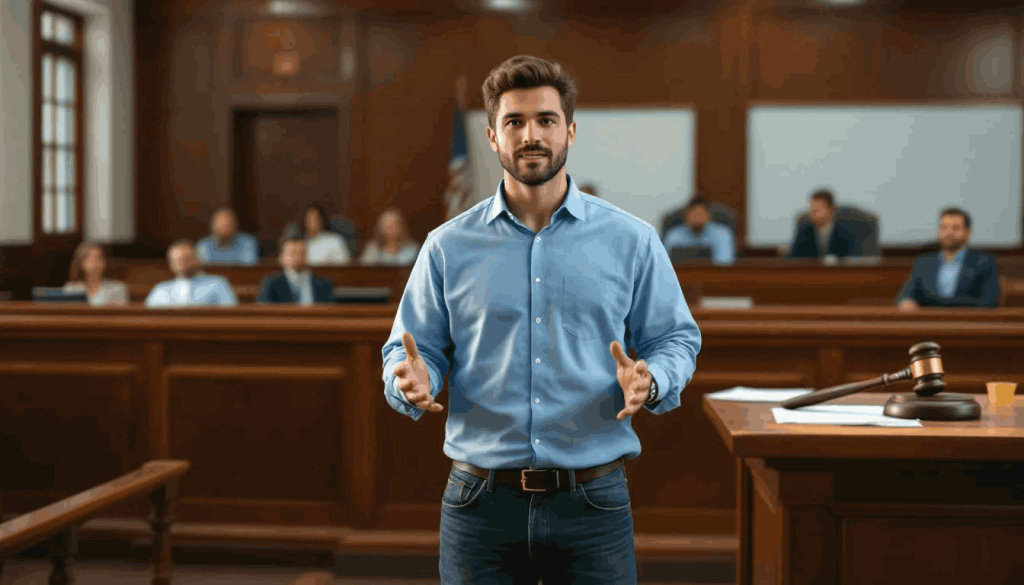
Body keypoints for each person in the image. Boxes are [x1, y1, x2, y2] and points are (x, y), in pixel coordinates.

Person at [381, 55, 702, 585]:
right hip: (478, 505)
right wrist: (413, 379)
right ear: (492, 136)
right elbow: (413, 350)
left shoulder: (632, 240)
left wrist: (653, 379)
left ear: (570, 131)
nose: (531, 135)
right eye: (514, 122)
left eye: (546, 120)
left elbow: (674, 338)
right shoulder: (446, 246)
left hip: (594, 502)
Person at [896, 207, 1000, 311]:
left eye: (955, 228)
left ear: (968, 232)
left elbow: (990, 301)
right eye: (944, 228)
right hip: (929, 319)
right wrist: (906, 302)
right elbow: (906, 296)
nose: (949, 233)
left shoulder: (984, 262)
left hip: (968, 319)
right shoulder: (923, 263)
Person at [145, 240, 238, 307]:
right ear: (171, 265)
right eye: (177, 260)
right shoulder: (161, 289)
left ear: (197, 259)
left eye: (186, 258)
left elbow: (232, 314)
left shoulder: (217, 284)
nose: (182, 264)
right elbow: (147, 316)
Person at [257, 236, 335, 304]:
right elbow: (263, 311)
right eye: (293, 253)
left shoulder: (325, 285)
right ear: (282, 258)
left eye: (302, 253)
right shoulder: (270, 283)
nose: (298, 257)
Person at [661, 196, 736, 265]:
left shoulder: (722, 234)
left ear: (709, 216)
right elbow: (664, 264)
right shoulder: (673, 236)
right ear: (685, 215)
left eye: (701, 213)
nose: (697, 217)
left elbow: (725, 264)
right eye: (694, 213)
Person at [786, 189, 859, 259]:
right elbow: (792, 257)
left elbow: (854, 256)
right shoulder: (805, 230)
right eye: (811, 210)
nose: (812, 213)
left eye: (817, 210)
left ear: (831, 210)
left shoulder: (846, 231)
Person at [62, 242, 129, 306]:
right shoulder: (70, 289)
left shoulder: (118, 289)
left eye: (99, 258)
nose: (95, 263)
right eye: (90, 259)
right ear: (80, 263)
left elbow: (122, 312)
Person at [195, 208, 260, 265]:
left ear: (235, 226)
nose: (222, 229)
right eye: (219, 225)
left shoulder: (247, 243)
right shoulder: (204, 246)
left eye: (226, 225)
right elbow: (201, 271)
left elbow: (249, 269)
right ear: (211, 227)